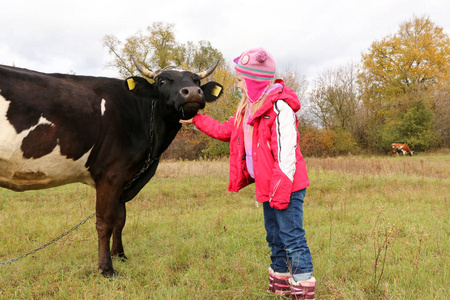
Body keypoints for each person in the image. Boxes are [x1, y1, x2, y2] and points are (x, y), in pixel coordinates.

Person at [180, 47, 315, 299]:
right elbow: (225, 131)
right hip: (266, 185)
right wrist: (197, 120)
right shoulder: (247, 109)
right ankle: (282, 283)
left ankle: (303, 288)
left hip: (286, 184)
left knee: (292, 237)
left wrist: (280, 190)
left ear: (254, 80)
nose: (238, 84)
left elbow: (286, 156)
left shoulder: (280, 109)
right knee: (274, 237)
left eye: (241, 79)